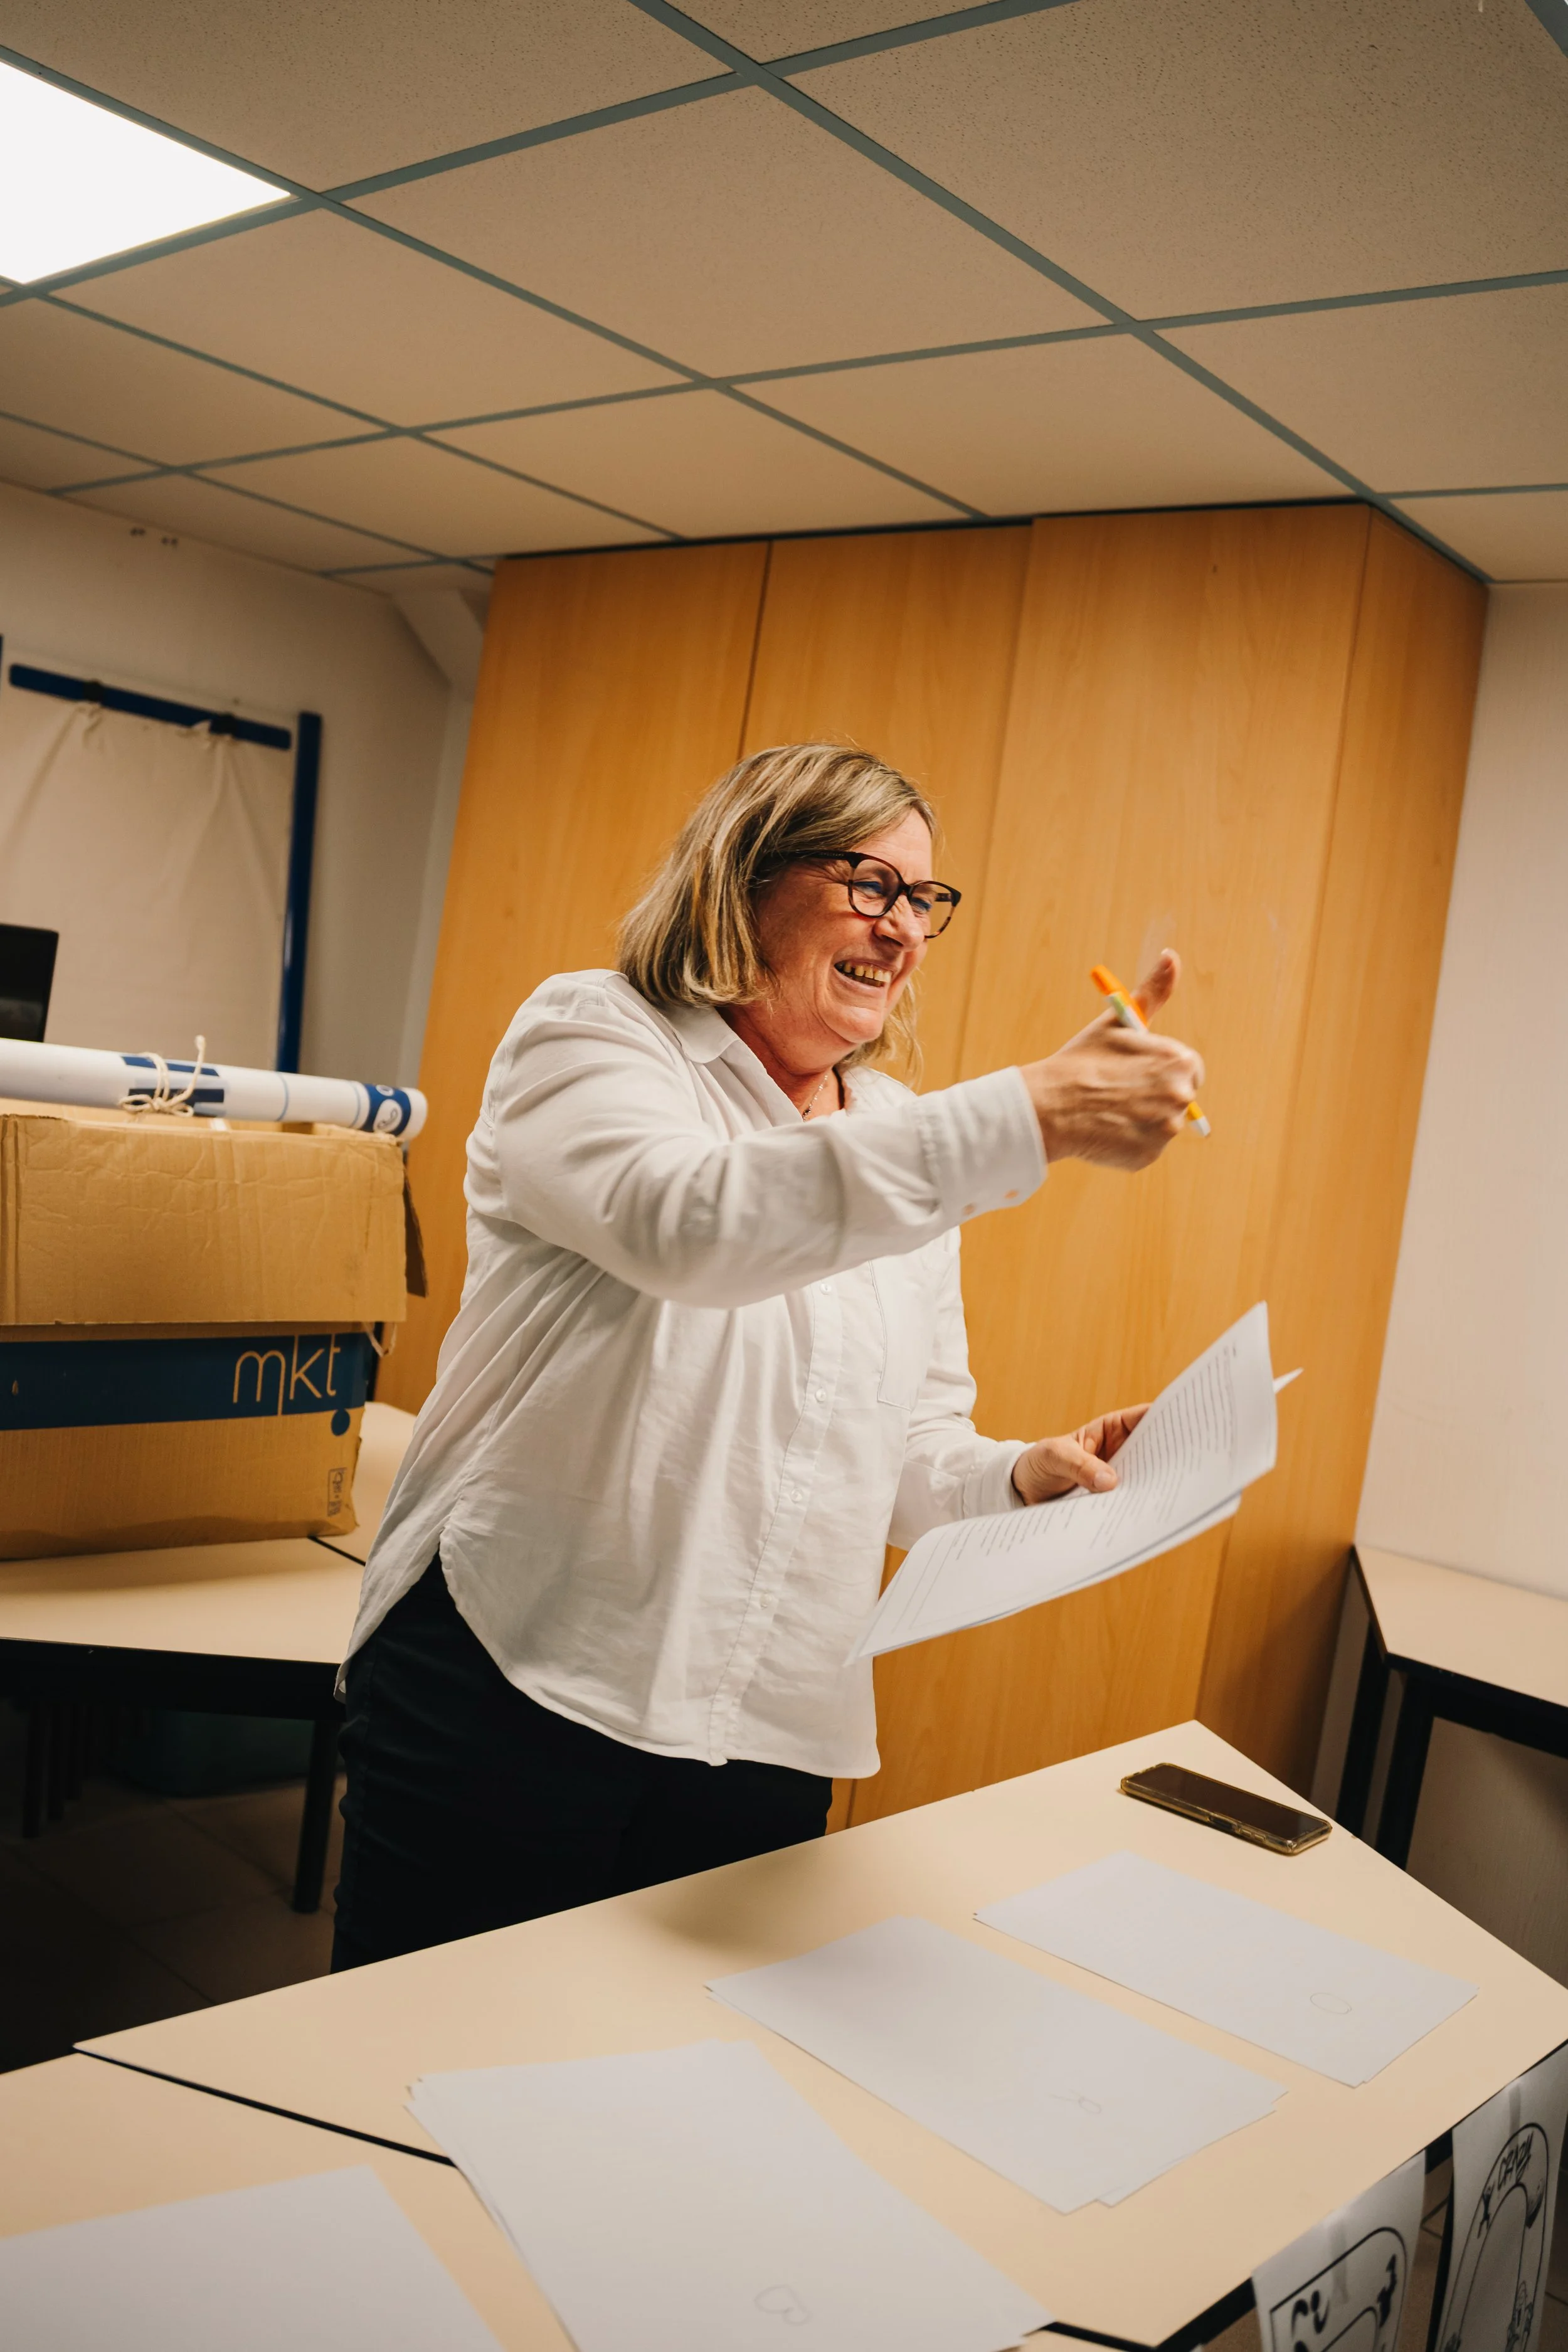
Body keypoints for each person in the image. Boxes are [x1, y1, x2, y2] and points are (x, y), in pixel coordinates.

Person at [331, 743, 1203, 1969]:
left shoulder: (898, 1138)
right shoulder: (595, 1038)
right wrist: (1030, 1115)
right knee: (411, 2079)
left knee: (667, 2115)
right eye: (871, 885)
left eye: (923, 902)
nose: (902, 931)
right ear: (744, 876)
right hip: (514, 1678)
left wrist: (1017, 1476)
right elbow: (687, 1223)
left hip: (761, 1733)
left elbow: (901, 1453)